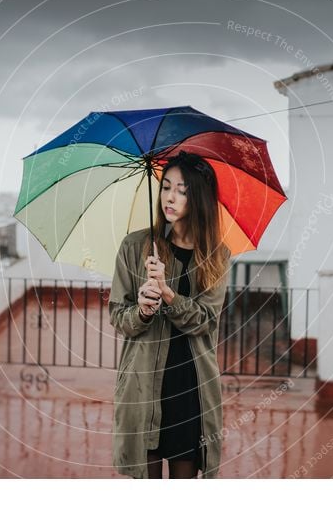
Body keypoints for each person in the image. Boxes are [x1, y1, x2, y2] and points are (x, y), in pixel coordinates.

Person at [109, 150, 231, 479]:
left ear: (200, 197)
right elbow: (118, 316)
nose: (170, 197)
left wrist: (168, 294)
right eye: (166, 187)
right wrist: (144, 311)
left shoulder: (217, 257)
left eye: (182, 189)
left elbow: (206, 321)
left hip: (190, 386)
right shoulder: (135, 247)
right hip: (143, 384)